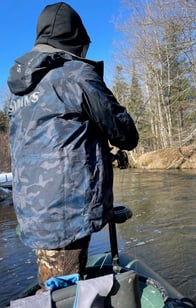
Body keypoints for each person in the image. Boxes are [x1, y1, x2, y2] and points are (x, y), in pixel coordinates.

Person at [7, 2, 139, 289]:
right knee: (64, 297)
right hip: (66, 215)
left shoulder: (19, 88)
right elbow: (125, 134)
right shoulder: (76, 74)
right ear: (74, 42)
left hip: (33, 213)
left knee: (51, 283)